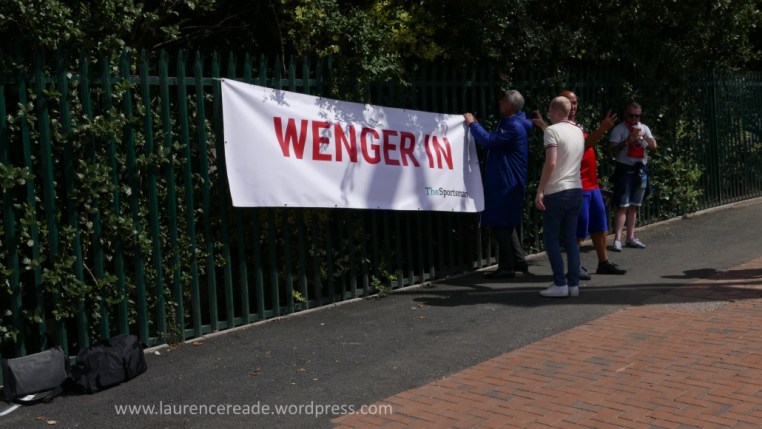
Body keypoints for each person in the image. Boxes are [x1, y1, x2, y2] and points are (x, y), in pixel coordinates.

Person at [533, 91, 627, 279]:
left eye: (575, 102)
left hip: (592, 184)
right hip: (578, 185)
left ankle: (603, 262)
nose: (573, 106)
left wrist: (543, 125)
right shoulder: (562, 128)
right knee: (577, 228)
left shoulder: (575, 126)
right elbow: (582, 146)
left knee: (599, 225)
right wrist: (602, 129)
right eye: (570, 102)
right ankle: (574, 267)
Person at [464, 89, 532, 279]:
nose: (500, 103)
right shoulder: (514, 123)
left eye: (503, 101)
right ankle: (518, 260)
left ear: (510, 105)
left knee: (499, 223)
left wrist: (473, 124)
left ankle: (507, 267)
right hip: (508, 179)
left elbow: (488, 141)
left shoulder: (512, 126)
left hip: (505, 181)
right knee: (507, 223)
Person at [535, 96, 585, 297]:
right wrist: (543, 126)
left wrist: (540, 189)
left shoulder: (552, 131)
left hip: (556, 191)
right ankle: (573, 285)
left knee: (552, 239)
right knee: (571, 239)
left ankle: (559, 283)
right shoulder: (578, 130)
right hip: (576, 189)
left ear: (554, 111)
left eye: (550, 110)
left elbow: (552, 162)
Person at [608, 102, 658, 252]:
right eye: (631, 115)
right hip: (625, 169)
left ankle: (630, 237)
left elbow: (654, 146)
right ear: (625, 115)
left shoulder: (644, 128)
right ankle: (617, 239)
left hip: (640, 169)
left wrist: (644, 138)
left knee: (634, 206)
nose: (634, 118)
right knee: (623, 206)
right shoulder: (619, 129)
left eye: (637, 116)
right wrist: (627, 141)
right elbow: (612, 150)